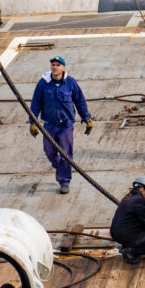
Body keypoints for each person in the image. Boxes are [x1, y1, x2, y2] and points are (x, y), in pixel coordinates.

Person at [29, 56, 93, 194]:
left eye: (58, 65)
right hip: (49, 125)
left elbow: (79, 100)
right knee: (49, 151)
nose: (55, 67)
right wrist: (33, 122)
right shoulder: (43, 83)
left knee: (66, 154)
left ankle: (64, 182)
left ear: (63, 68)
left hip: (66, 125)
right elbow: (35, 103)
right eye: (53, 64)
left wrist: (86, 118)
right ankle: (59, 167)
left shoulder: (70, 83)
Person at [110, 175, 145, 264]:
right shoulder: (140, 201)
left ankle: (127, 246)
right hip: (126, 235)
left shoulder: (128, 199)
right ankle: (131, 251)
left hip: (117, 234)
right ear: (143, 190)